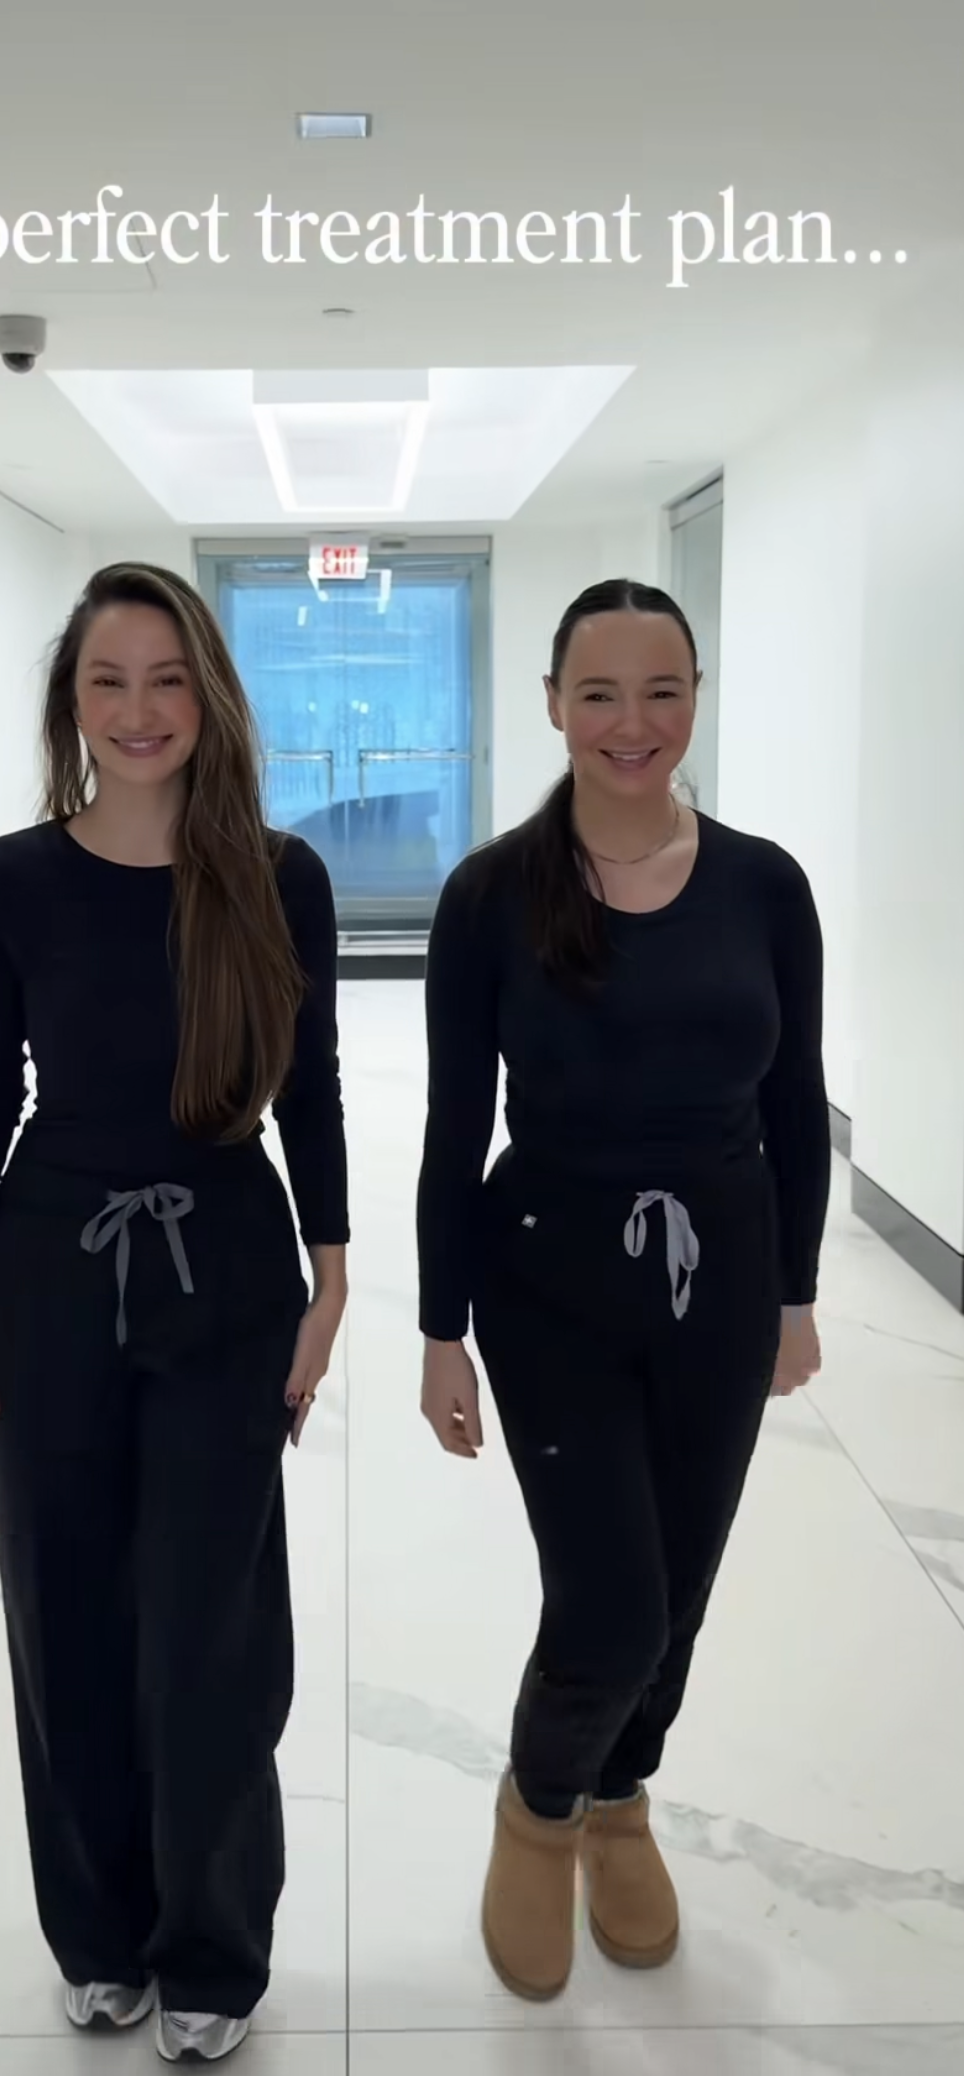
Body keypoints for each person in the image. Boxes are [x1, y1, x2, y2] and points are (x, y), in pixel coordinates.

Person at [0, 562, 349, 2063]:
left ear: (209, 696)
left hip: (229, 1265)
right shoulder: (8, 882)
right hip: (48, 1271)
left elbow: (309, 1086)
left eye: (167, 678)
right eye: (108, 681)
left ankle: (214, 1947)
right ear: (71, 706)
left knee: (210, 1629)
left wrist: (334, 1273)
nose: (140, 709)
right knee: (66, 1610)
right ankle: (98, 1934)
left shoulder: (276, 876)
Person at [416, 577, 828, 2001]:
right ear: (549, 705)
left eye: (660, 690)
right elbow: (452, 1125)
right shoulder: (487, 897)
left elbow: (793, 1100)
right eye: (598, 693)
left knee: (684, 1591)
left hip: (718, 1286)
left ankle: (621, 1803)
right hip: (547, 1284)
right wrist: (436, 1327)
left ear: (694, 698)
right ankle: (536, 1816)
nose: (630, 722)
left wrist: (792, 1292)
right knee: (611, 1604)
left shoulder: (764, 886)